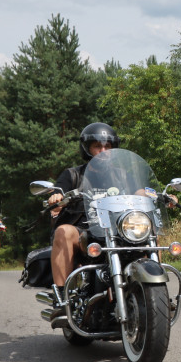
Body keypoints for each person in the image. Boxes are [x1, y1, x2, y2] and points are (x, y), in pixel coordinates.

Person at [47, 122, 121, 295]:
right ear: (87, 149)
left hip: (118, 230)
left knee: (148, 231)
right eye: (97, 146)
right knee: (63, 231)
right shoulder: (73, 175)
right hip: (84, 231)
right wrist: (56, 198)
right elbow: (59, 192)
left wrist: (155, 195)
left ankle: (155, 288)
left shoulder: (122, 174)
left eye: (107, 146)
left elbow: (139, 190)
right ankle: (62, 296)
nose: (103, 151)